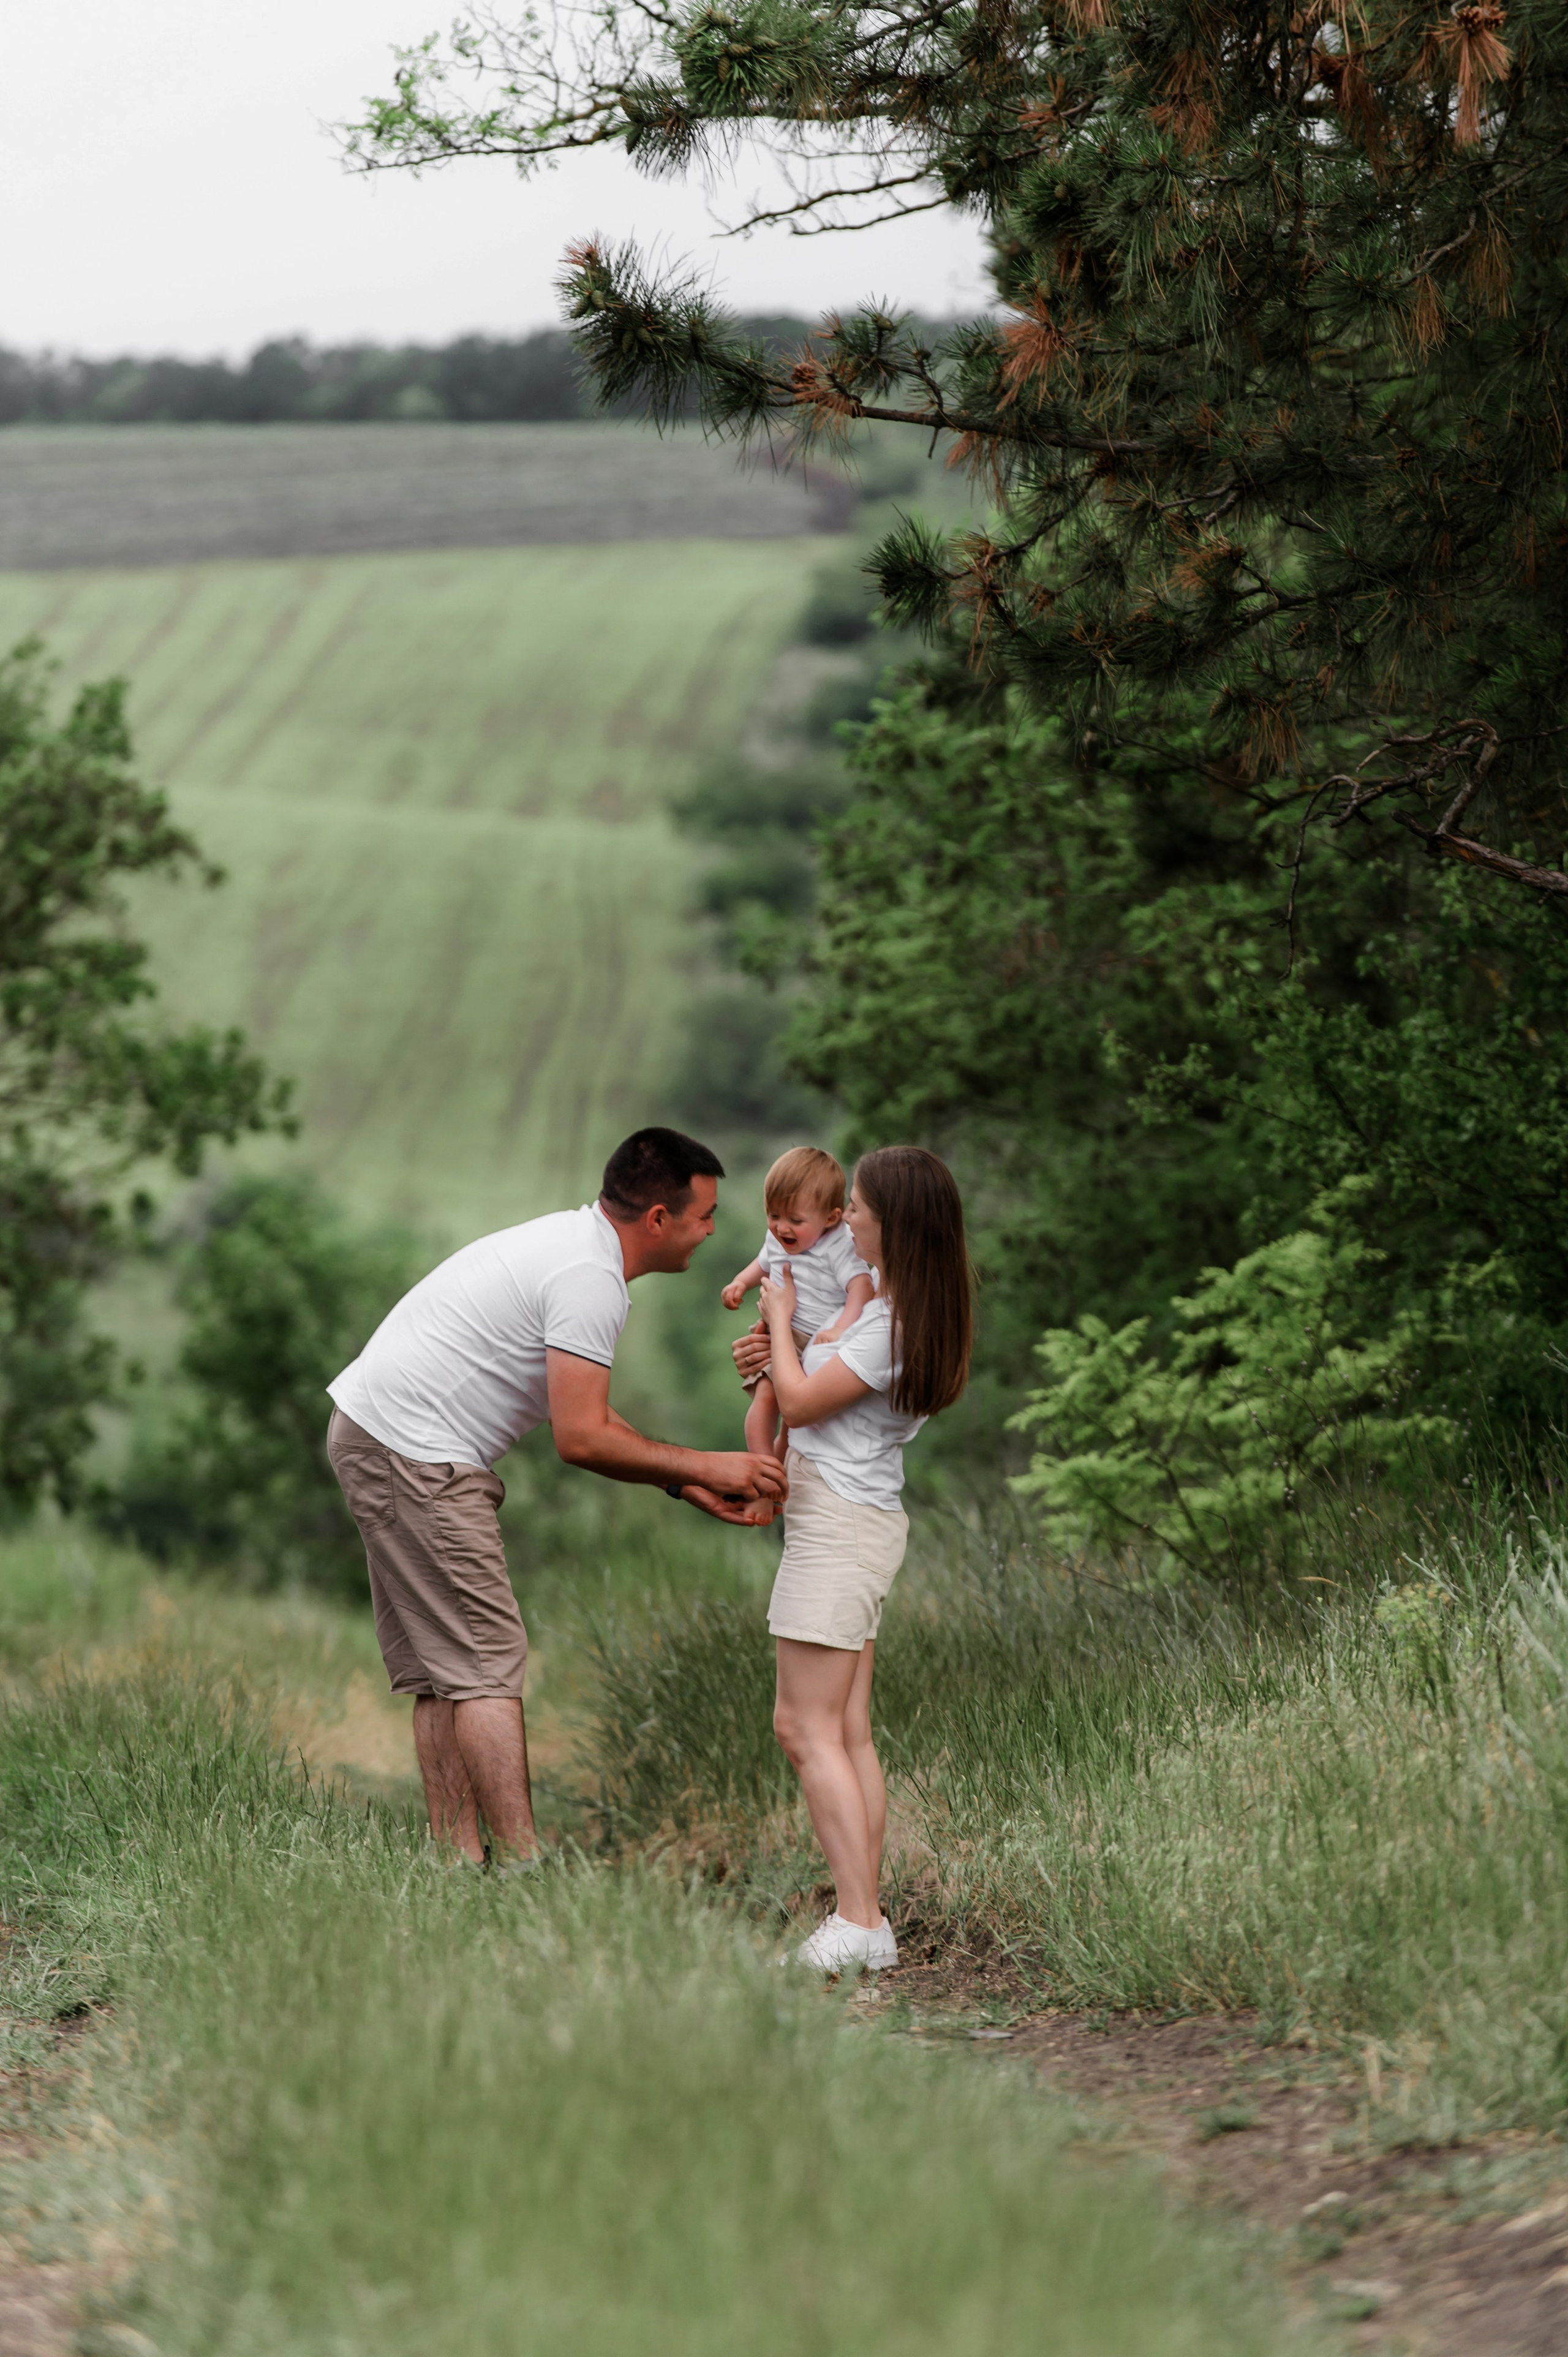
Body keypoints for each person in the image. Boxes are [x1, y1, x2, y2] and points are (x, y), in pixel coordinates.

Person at [326, 1127, 787, 1871]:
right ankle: (524, 1866)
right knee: (485, 1661)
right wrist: (712, 1462)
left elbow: (587, 1414)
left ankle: (457, 1861)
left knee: (448, 1669)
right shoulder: (588, 1279)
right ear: (658, 1219)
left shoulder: (577, 1249)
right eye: (704, 1215)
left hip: (380, 1434)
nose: (710, 1231)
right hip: (416, 1452)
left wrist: (683, 1480)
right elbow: (581, 1439)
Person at [736, 1144, 972, 1974]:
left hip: (840, 1529)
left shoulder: (890, 1324)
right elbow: (808, 1387)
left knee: (803, 1727)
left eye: (861, 1209)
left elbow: (803, 1403)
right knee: (845, 1731)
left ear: (891, 1223)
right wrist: (775, 1351)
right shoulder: (887, 1314)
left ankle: (859, 1921)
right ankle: (864, 1918)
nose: (850, 1219)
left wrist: (778, 1321)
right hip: (848, 1520)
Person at [720, 1145, 876, 1465]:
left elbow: (861, 1287)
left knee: (795, 1426)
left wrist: (841, 1328)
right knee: (766, 1401)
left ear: (831, 1218)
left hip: (819, 1340)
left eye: (795, 1220)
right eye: (773, 1215)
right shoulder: (777, 1238)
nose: (781, 1228)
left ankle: (779, 1473)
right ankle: (762, 1468)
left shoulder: (840, 1244)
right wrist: (740, 1282)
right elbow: (764, 1263)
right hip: (781, 1336)